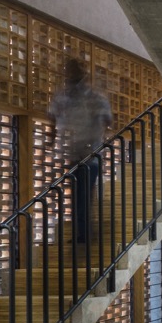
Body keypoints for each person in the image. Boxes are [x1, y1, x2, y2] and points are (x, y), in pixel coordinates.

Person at [48, 58, 112, 245]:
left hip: (91, 154)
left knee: (84, 194)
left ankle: (85, 233)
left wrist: (99, 136)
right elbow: (52, 116)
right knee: (78, 194)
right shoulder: (64, 96)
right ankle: (82, 232)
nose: (69, 74)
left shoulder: (93, 97)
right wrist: (52, 139)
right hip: (74, 153)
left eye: (72, 70)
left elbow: (106, 120)